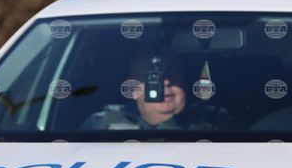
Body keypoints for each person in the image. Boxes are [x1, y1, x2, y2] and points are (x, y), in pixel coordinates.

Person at [81, 48, 232, 130]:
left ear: (186, 79)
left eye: (174, 71)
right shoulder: (100, 124)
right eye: (153, 76)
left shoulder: (216, 124)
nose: (165, 81)